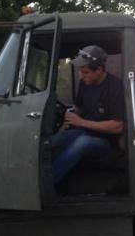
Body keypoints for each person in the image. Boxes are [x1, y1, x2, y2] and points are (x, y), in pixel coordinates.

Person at [50, 45, 125, 185]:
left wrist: (82, 122)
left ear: (99, 69)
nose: (81, 76)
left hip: (106, 143)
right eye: (80, 71)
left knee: (82, 142)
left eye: (85, 72)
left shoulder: (115, 88)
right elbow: (77, 108)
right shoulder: (85, 83)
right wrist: (69, 120)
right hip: (83, 132)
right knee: (52, 141)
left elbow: (118, 126)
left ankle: (46, 184)